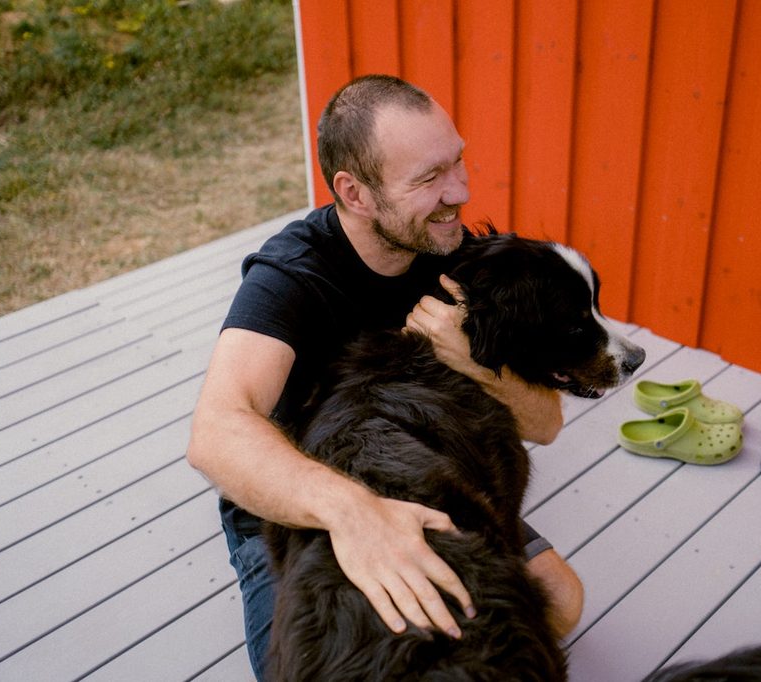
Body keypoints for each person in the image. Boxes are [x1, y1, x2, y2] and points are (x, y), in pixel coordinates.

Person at [186, 74, 584, 680]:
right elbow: (214, 432)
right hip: (307, 498)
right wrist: (356, 514)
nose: (460, 191)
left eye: (458, 161)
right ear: (356, 192)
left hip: (426, 468)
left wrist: (469, 359)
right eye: (428, 178)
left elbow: (546, 423)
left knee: (561, 602)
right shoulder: (290, 276)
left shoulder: (453, 253)